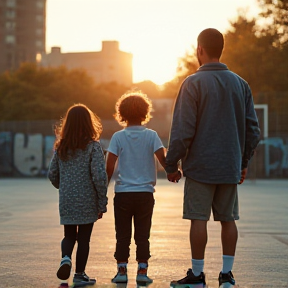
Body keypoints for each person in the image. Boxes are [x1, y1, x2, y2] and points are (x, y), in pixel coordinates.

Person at [165, 28, 261, 287]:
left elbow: (182, 130)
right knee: (228, 219)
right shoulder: (241, 84)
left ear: (199, 49)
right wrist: (243, 162)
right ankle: (227, 275)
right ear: (222, 50)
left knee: (199, 219)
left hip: (200, 167)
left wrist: (171, 164)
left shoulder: (192, 84)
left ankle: (197, 275)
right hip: (229, 165)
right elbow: (253, 130)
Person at [106, 91, 166, 284]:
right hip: (145, 194)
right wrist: (174, 172)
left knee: (122, 234)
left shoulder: (117, 137)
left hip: (123, 193)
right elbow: (163, 159)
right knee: (143, 234)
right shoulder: (152, 136)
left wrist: (102, 189)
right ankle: (142, 271)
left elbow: (109, 166)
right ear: (145, 112)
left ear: (121, 113)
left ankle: (122, 271)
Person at [48, 103, 108, 286]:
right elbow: (99, 176)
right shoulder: (93, 146)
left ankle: (66, 258)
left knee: (69, 235)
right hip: (87, 199)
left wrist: (64, 187)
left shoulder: (61, 147)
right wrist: (102, 202)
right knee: (84, 238)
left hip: (67, 199)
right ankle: (79, 274)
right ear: (89, 123)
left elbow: (52, 174)